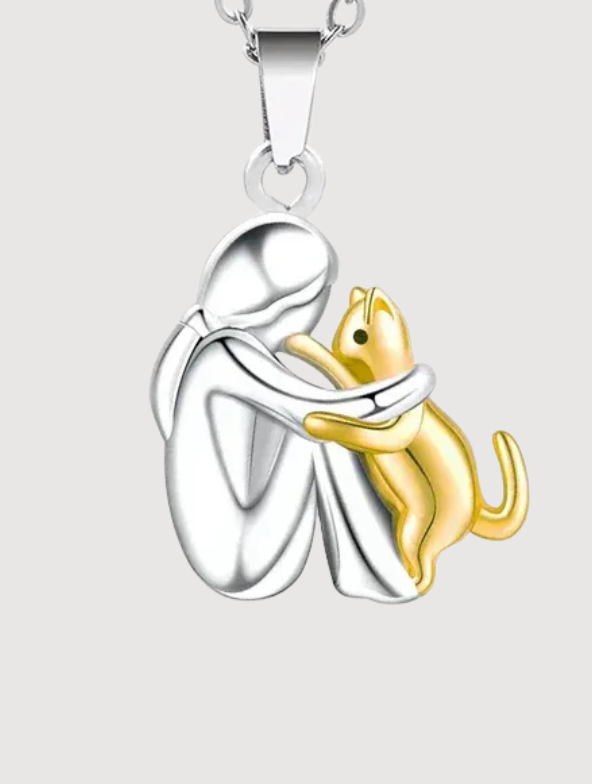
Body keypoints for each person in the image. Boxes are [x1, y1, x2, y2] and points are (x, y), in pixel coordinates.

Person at [151, 214, 435, 602]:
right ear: (287, 306)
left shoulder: (210, 349)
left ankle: (372, 568)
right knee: (321, 436)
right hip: (236, 556)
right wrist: (416, 381)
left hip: (248, 548)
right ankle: (381, 575)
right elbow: (325, 413)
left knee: (310, 429)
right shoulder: (228, 353)